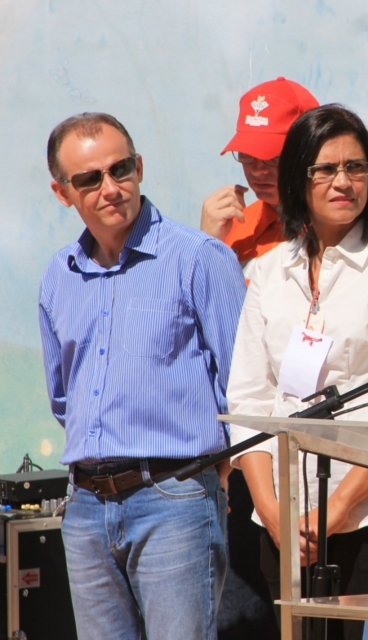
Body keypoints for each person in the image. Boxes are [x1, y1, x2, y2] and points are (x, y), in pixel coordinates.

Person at [227, 104, 368, 640]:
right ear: (298, 178)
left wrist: (339, 509)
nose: (343, 181)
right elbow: (249, 401)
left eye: (357, 167)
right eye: (325, 169)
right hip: (284, 525)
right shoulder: (269, 270)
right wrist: (271, 510)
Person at [39, 112, 247, 640]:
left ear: (140, 167)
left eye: (121, 169)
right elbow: (64, 398)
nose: (111, 188)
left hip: (173, 498)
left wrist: (202, 480)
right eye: (89, 179)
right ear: (63, 192)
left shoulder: (200, 259)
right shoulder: (58, 276)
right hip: (85, 507)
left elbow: (240, 389)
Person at [201, 76, 368, 273]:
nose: (257, 170)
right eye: (246, 155)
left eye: (272, 157)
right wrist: (206, 245)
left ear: (313, 151)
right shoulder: (230, 225)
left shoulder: (365, 222)